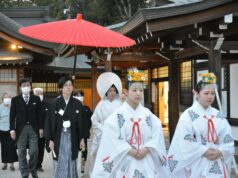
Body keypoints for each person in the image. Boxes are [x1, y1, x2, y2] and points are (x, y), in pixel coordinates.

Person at [91, 68, 168, 178]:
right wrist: (129, 150)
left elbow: (157, 134)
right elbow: (111, 137)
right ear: (126, 92)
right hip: (125, 159)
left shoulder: (148, 115)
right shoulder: (117, 115)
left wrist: (147, 148)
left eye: (141, 90)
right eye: (134, 90)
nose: (138, 93)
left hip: (146, 159)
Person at [168, 73, 235, 178]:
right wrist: (203, 150)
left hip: (216, 160)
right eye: (206, 93)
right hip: (196, 160)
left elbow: (227, 137)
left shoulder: (218, 115)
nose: (210, 96)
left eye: (212, 93)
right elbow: (183, 140)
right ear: (197, 93)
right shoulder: (188, 115)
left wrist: (221, 151)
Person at [44, 76, 85, 178]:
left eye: (70, 85)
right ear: (61, 88)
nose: (68, 87)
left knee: (72, 160)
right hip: (59, 137)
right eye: (65, 85)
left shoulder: (78, 104)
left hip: (73, 136)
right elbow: (49, 123)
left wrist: (82, 138)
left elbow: (82, 123)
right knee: (60, 160)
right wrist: (50, 139)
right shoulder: (55, 104)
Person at [89, 72, 122, 175]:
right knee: (98, 155)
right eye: (109, 91)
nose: (112, 93)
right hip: (103, 134)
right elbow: (94, 120)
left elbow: (123, 119)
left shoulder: (120, 104)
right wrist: (103, 130)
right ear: (106, 92)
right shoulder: (101, 104)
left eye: (113, 90)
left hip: (116, 134)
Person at [10, 78, 43, 178]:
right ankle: (24, 172)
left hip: (33, 129)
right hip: (20, 130)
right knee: (21, 152)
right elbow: (12, 116)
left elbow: (40, 115)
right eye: (23, 85)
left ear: (30, 86)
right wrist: (12, 129)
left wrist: (41, 128)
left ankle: (33, 169)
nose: (25, 87)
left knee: (34, 151)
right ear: (20, 87)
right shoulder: (15, 100)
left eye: (27, 85)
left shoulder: (36, 99)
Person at [73, 90, 92, 174]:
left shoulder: (86, 108)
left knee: (84, 151)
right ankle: (74, 168)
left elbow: (91, 120)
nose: (79, 97)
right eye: (77, 95)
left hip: (83, 135)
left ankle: (82, 168)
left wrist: (87, 129)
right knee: (74, 151)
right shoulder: (72, 107)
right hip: (74, 135)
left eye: (81, 95)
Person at [33, 87, 50, 172]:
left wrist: (44, 129)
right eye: (38, 94)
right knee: (33, 149)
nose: (40, 95)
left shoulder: (47, 105)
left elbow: (49, 118)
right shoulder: (31, 104)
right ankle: (32, 164)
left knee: (41, 149)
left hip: (44, 131)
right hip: (33, 131)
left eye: (41, 94)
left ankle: (39, 165)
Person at [0, 93, 18, 171]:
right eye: (5, 97)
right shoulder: (0, 107)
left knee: (11, 147)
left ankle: (11, 165)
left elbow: (17, 118)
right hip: (2, 130)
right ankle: (5, 164)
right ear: (2, 99)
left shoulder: (14, 106)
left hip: (11, 130)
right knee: (4, 147)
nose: (7, 99)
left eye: (9, 97)